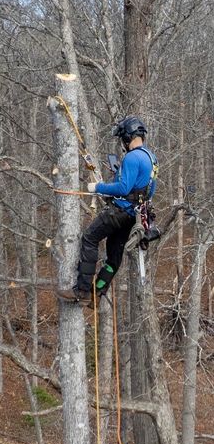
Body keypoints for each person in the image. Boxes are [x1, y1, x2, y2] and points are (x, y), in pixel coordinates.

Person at [57, 115, 157, 305]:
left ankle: (82, 290)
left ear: (128, 137)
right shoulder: (151, 158)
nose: (123, 143)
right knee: (114, 255)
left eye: (123, 139)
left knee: (89, 238)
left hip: (120, 211)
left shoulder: (132, 157)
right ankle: (97, 292)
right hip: (134, 215)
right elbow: (148, 189)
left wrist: (98, 187)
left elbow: (123, 188)